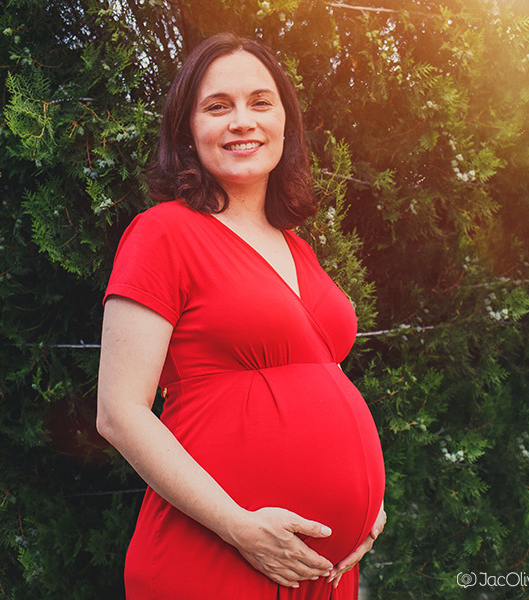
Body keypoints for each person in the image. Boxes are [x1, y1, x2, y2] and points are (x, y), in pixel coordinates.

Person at [96, 32, 387, 599]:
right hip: (218, 554)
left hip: (322, 570)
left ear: (285, 120)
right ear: (187, 131)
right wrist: (238, 526)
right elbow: (119, 412)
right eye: (217, 106)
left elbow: (322, 385)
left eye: (260, 102)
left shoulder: (297, 246)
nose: (242, 122)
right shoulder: (164, 233)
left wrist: (369, 505)